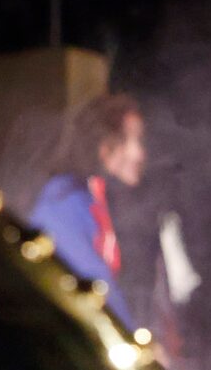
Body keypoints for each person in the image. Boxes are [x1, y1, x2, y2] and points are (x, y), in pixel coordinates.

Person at [30, 94, 148, 318]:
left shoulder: (107, 201)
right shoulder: (63, 202)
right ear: (104, 145)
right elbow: (95, 289)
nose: (140, 153)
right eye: (132, 139)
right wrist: (133, 341)